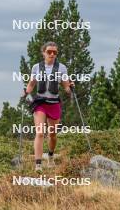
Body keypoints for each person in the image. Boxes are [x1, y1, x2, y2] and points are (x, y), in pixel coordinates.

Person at [23, 41, 73, 172]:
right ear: (43, 53)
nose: (52, 54)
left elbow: (66, 86)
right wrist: (26, 92)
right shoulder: (36, 67)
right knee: (39, 133)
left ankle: (50, 156)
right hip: (40, 103)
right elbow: (32, 84)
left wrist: (70, 88)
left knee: (52, 135)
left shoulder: (61, 68)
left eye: (54, 52)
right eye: (49, 52)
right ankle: (38, 164)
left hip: (54, 103)